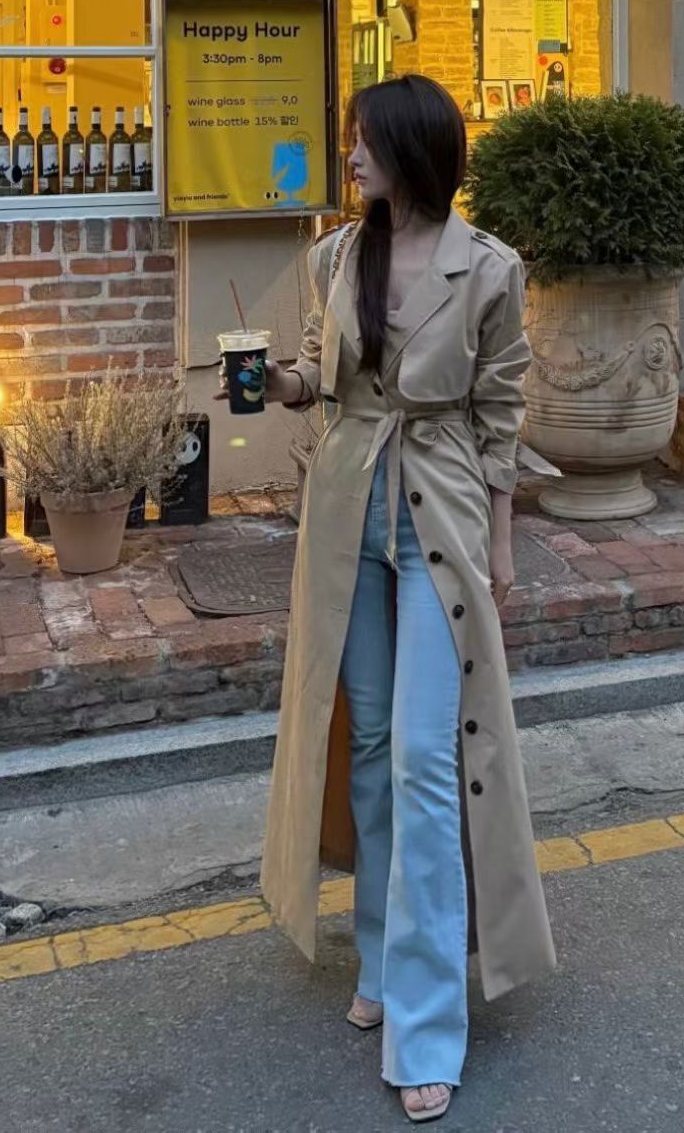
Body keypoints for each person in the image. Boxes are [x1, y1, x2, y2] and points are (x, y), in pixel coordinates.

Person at [256, 73, 556, 1123]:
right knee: (374, 747)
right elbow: (318, 374)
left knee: (430, 758)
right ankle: (380, 961)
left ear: (414, 150)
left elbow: (502, 408)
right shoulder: (338, 255)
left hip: (442, 516)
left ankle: (428, 1025)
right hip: (347, 514)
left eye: (364, 142)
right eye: (349, 141)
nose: (349, 157)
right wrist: (277, 384)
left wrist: (503, 540)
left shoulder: (491, 268)